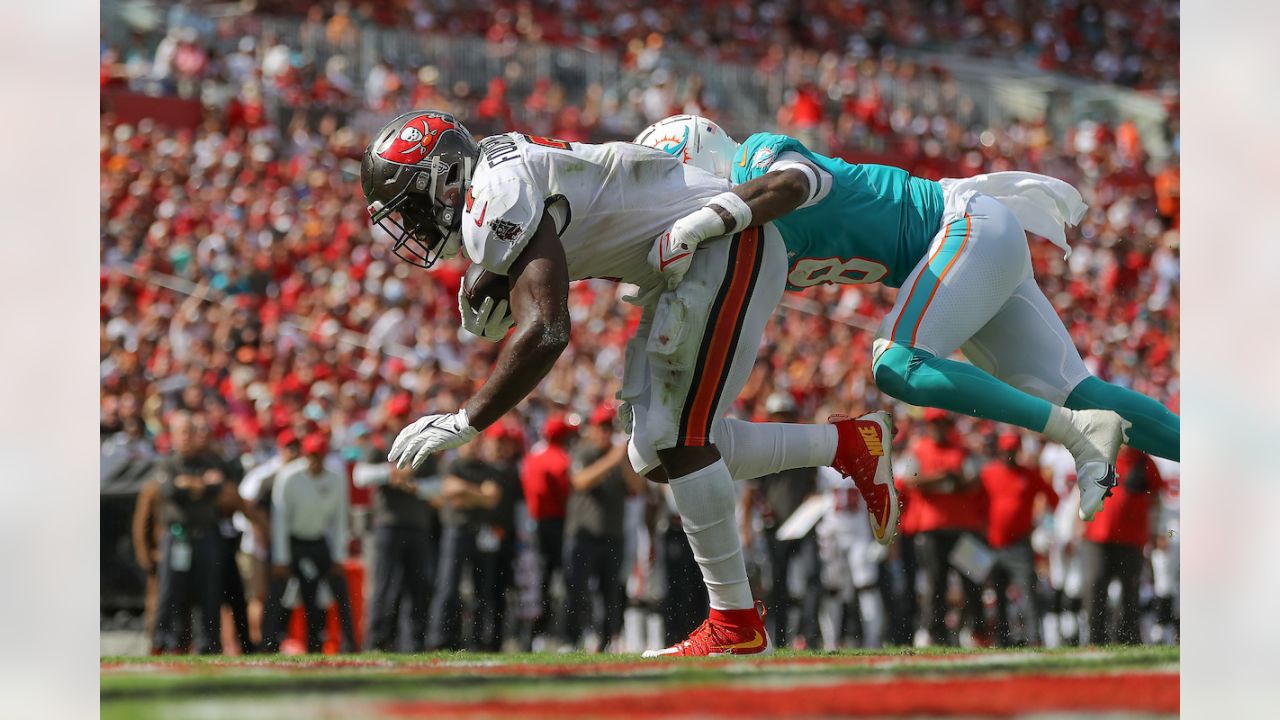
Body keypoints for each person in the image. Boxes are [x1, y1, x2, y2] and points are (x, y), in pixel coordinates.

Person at [363, 111, 890, 657]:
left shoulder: (494, 192)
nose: (415, 228)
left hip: (721, 244)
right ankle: (848, 445)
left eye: (412, 208)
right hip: (684, 264)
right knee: (655, 453)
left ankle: (735, 621)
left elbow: (547, 330)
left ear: (445, 178)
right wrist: (499, 276)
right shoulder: (497, 173)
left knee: (682, 440)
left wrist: (465, 420)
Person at [637, 114, 1181, 522]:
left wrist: (700, 223)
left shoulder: (754, 160)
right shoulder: (744, 232)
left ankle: (1076, 434)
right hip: (972, 245)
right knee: (1075, 390)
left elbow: (793, 184)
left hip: (961, 223)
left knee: (898, 362)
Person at [150, 411, 239, 654]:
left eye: (192, 432)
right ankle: (164, 641)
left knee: (209, 593)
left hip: (205, 535)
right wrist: (202, 485)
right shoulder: (167, 463)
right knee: (170, 591)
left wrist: (188, 485)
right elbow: (170, 491)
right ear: (174, 436)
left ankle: (208, 643)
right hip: (177, 536)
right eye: (184, 433)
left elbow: (218, 489)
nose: (189, 437)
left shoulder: (209, 462)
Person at [740, 392, 823, 649]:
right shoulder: (763, 449)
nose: (783, 421)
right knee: (777, 584)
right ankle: (780, 637)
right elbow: (752, 492)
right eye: (779, 416)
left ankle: (808, 635)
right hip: (775, 525)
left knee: (813, 575)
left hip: (804, 523)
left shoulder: (806, 445)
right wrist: (746, 527)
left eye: (787, 416)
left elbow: (814, 484)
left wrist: (811, 504)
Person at [898, 410, 988, 646]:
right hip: (931, 527)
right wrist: (942, 478)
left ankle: (976, 630)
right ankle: (932, 632)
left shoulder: (962, 450)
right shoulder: (918, 450)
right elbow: (910, 480)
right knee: (934, 582)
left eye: (941, 424)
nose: (938, 428)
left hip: (963, 526)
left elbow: (974, 482)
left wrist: (949, 481)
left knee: (973, 580)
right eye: (933, 424)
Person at [563, 405, 643, 652]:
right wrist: (611, 460)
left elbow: (638, 488)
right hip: (583, 534)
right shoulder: (583, 452)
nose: (604, 433)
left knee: (611, 593)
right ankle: (571, 639)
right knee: (576, 589)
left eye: (608, 428)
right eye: (601, 428)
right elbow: (580, 481)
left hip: (612, 536)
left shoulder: (619, 459)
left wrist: (620, 462)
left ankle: (606, 641)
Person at [270, 433, 357, 653]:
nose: (314, 461)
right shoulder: (289, 476)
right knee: (285, 592)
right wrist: (281, 558)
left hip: (318, 541)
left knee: (335, 588)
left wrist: (338, 556)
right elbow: (279, 519)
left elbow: (339, 519)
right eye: (311, 456)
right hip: (294, 542)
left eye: (318, 456)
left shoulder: (335, 478)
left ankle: (347, 644)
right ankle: (270, 643)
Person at [1080, 446, 1164, 645]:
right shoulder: (1100, 456)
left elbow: (1157, 500)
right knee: (1094, 587)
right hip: (1097, 538)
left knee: (1130, 593)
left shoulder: (1145, 463)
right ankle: (1095, 640)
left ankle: (1128, 639)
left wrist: (1157, 532)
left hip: (1131, 540)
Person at [980, 433, 1058, 646]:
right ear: (999, 451)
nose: (1009, 455)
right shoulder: (988, 473)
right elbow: (974, 501)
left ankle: (1034, 639)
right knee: (996, 593)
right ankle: (1001, 640)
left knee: (1027, 592)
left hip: (1019, 545)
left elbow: (1053, 498)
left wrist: (1039, 523)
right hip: (992, 544)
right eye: (1006, 450)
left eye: (1013, 450)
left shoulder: (1030, 475)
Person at [427, 437, 502, 650]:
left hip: (480, 533)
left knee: (482, 590)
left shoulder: (488, 468)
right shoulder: (451, 465)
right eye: (469, 442)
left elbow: (491, 498)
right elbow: (449, 490)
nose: (473, 445)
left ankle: (477, 641)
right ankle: (440, 640)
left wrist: (464, 491)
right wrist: (477, 493)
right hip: (455, 530)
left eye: (477, 442)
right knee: (447, 587)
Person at [518, 414, 575, 648]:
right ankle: (555, 634)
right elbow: (564, 495)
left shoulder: (532, 457)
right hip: (556, 524)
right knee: (559, 582)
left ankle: (531, 635)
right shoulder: (560, 459)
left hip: (533, 523)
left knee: (537, 581)